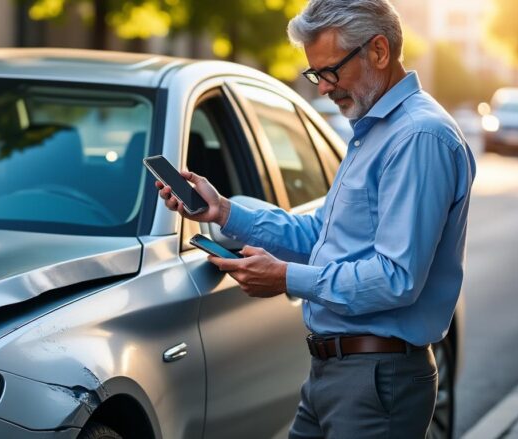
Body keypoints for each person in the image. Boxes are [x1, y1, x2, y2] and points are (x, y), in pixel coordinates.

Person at [156, 0, 476, 437]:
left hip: (376, 381)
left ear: (379, 51)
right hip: (337, 375)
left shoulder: (418, 137)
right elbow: (317, 235)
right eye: (315, 74)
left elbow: (396, 277)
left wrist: (287, 278)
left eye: (330, 71)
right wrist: (224, 211)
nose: (323, 88)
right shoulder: (377, 131)